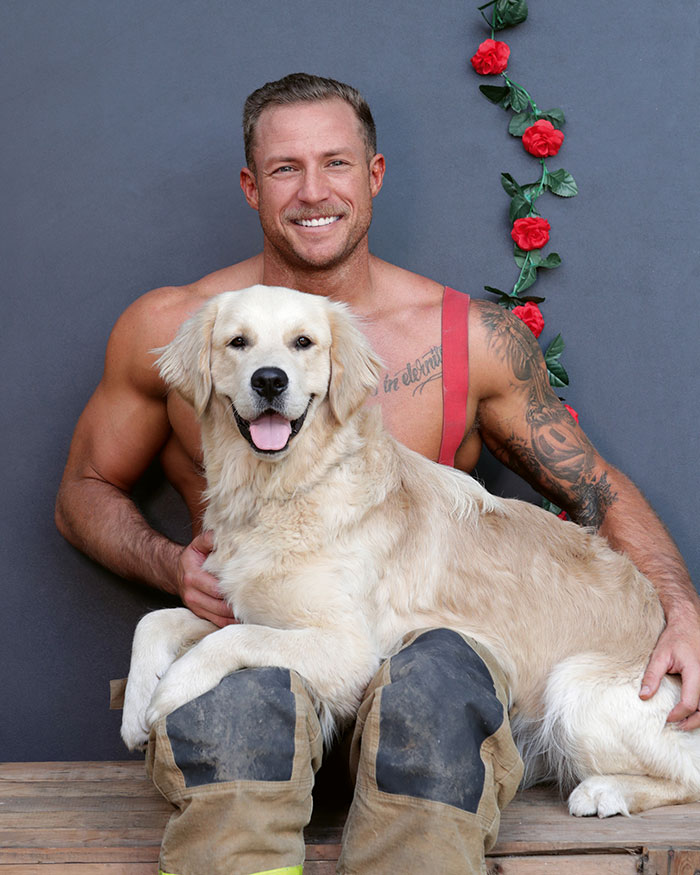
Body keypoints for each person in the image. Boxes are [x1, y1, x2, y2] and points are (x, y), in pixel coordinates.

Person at [56, 73, 700, 875]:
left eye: (336, 163)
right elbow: (83, 489)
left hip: (432, 710)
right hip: (263, 679)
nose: (314, 190)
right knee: (245, 700)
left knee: (436, 673)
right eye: (287, 168)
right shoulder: (177, 325)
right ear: (253, 186)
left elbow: (593, 485)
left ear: (375, 175)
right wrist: (174, 570)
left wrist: (680, 608)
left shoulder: (469, 337)